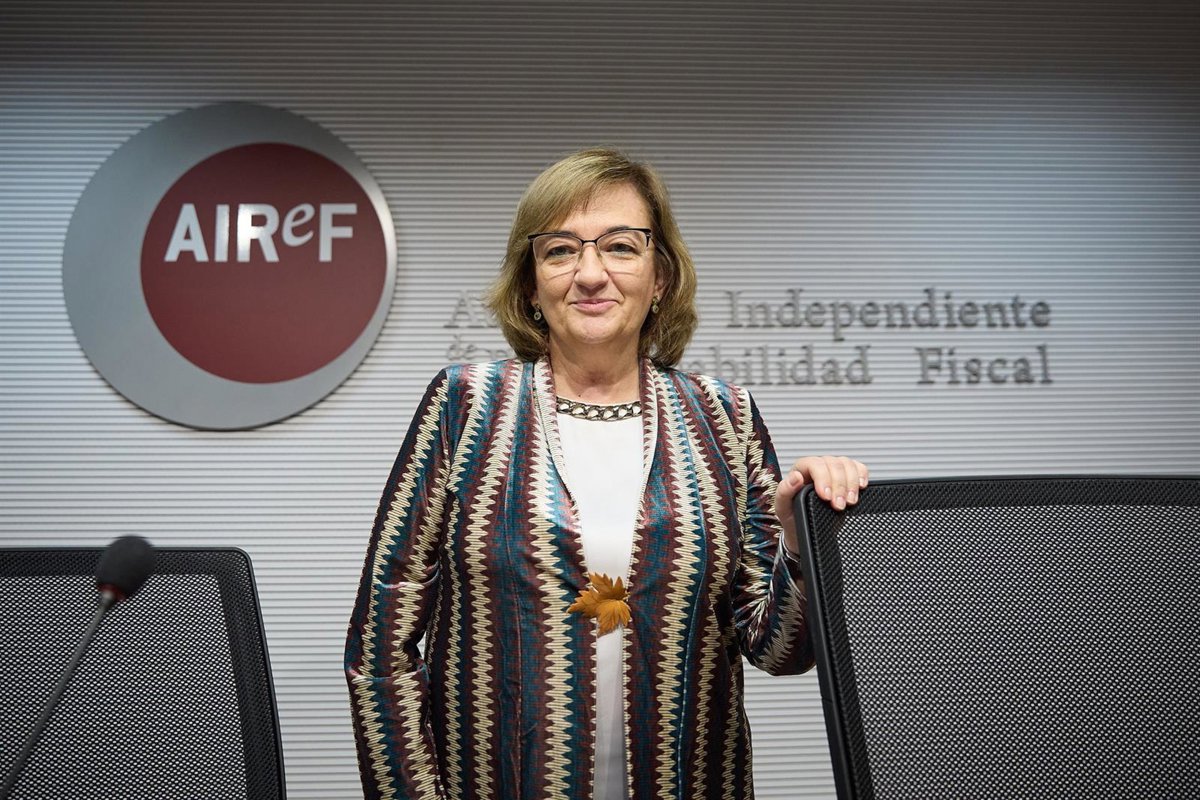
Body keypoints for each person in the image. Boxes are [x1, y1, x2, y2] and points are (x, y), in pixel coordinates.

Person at [345, 147, 869, 800]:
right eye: (560, 251)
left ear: (661, 277)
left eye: (620, 247)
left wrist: (799, 541)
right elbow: (380, 651)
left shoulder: (723, 415)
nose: (590, 274)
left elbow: (781, 651)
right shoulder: (466, 405)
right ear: (531, 284)